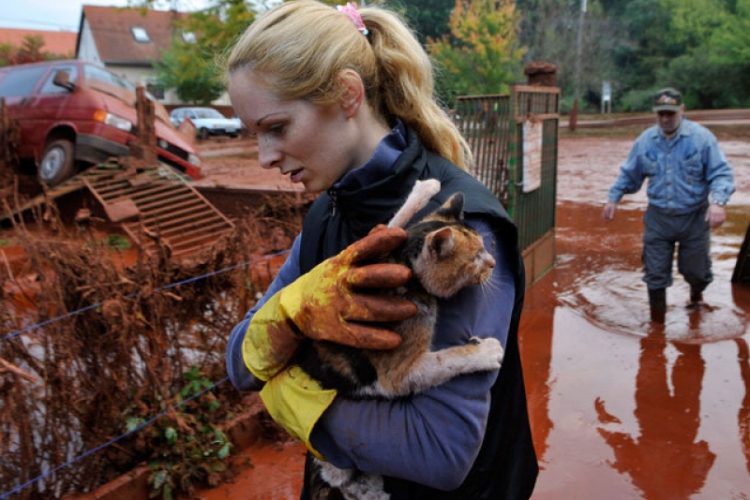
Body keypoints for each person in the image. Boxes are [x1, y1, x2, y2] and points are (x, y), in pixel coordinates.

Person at [224, 1, 538, 498]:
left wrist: (289, 394)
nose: (264, 157)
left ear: (348, 94)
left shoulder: (460, 229)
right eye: (254, 134)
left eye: (277, 127)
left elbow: (441, 453)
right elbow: (238, 362)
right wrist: (290, 316)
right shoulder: (325, 213)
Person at [602, 87, 735, 323]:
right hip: (658, 218)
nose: (665, 119)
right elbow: (629, 173)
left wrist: (718, 203)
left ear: (681, 111)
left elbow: (721, 173)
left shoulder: (702, 139)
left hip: (695, 216)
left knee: (697, 272)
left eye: (670, 114)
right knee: (655, 274)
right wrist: (614, 197)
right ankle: (657, 327)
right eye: (661, 113)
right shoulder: (645, 141)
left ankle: (696, 295)